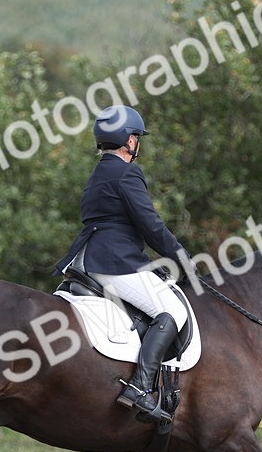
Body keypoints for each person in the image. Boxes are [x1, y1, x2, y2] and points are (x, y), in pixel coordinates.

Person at [55, 105, 191, 423]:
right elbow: (150, 224)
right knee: (172, 312)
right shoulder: (127, 172)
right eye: (137, 137)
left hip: (88, 259)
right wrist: (180, 254)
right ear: (130, 140)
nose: (138, 142)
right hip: (113, 263)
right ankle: (140, 388)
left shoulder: (98, 174)